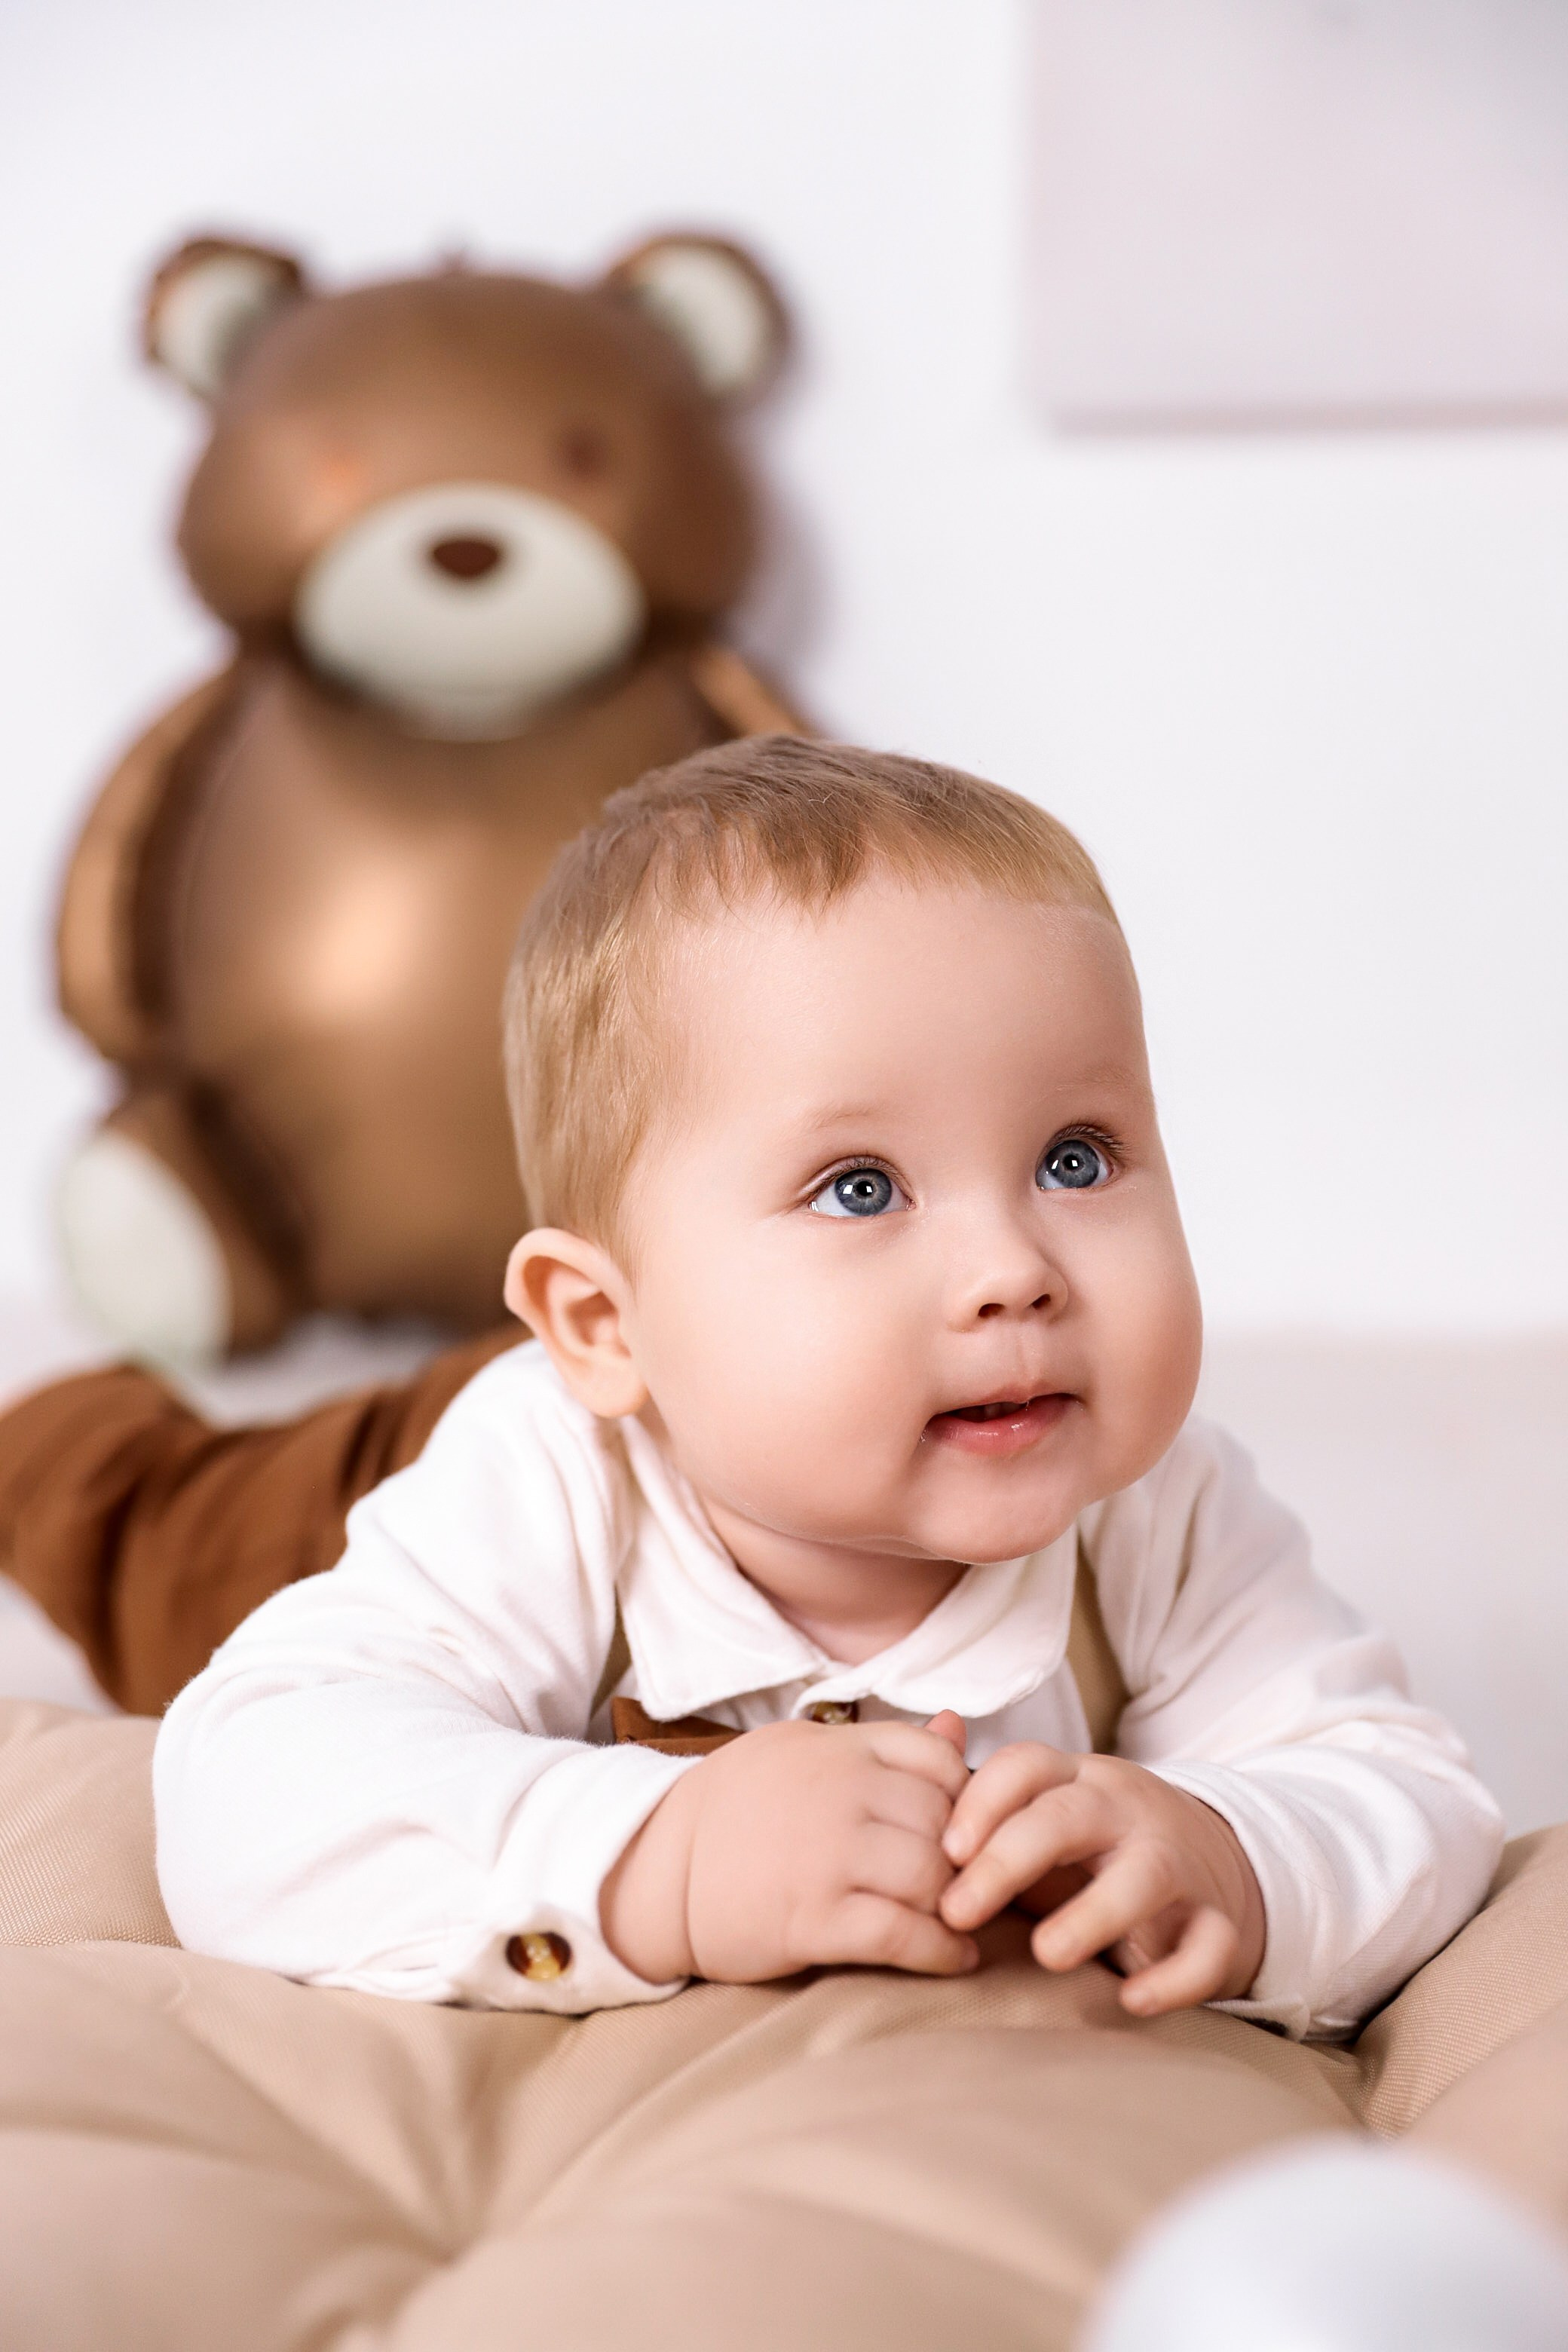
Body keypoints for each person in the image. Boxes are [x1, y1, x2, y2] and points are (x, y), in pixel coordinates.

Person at [152, 737, 1502, 2034]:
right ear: (606, 1322)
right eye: (861, 1188)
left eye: (1076, 1158)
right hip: (447, 1459)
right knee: (187, 1542)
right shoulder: (547, 1477)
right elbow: (247, 1787)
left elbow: (1407, 1795)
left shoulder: (1161, 1505)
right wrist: (661, 1859)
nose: (1012, 1271)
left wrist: (1238, 1857)